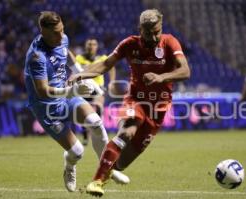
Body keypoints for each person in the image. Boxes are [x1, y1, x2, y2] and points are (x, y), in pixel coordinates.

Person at [70, 9, 190, 197]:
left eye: (157, 31)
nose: (153, 36)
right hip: (136, 99)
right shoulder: (129, 44)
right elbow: (106, 64)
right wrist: (81, 74)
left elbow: (185, 70)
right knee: (126, 132)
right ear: (140, 29)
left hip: (158, 108)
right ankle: (96, 181)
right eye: (148, 32)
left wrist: (161, 77)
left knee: (121, 164)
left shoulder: (170, 42)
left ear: (161, 27)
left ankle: (109, 169)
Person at [23, 11, 129, 193]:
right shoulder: (36, 56)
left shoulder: (61, 38)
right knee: (77, 151)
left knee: (96, 123)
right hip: (47, 107)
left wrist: (80, 73)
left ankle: (107, 169)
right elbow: (42, 91)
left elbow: (67, 53)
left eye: (62, 30)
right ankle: (69, 165)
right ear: (43, 31)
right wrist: (70, 90)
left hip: (67, 97)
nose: (61, 35)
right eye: (56, 32)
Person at [74, 38, 116, 146]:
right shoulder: (79, 58)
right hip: (84, 88)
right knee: (82, 113)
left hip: (98, 88)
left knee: (98, 107)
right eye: (89, 44)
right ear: (85, 46)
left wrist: (111, 82)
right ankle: (85, 136)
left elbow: (111, 68)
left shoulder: (102, 58)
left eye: (93, 44)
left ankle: (98, 133)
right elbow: (74, 71)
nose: (91, 46)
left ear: (97, 46)